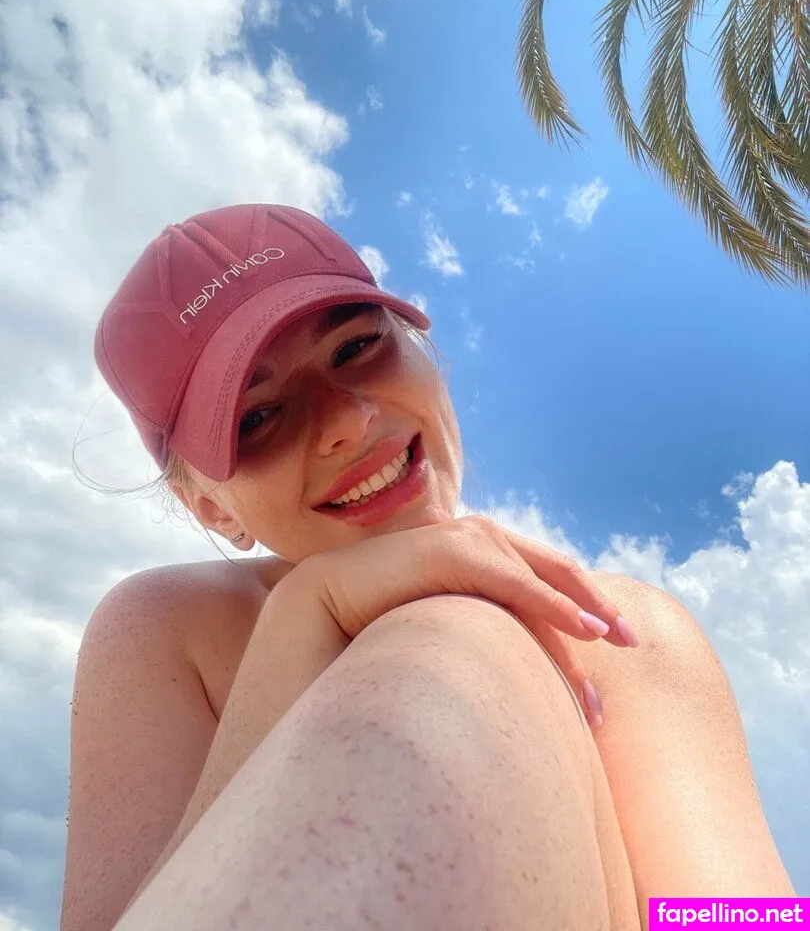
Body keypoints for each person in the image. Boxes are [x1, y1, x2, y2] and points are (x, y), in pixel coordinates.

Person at [61, 204, 795, 931]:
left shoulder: (624, 631)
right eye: (258, 417)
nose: (347, 420)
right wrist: (305, 614)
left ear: (422, 351)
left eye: (356, 347)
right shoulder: (173, 628)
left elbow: (733, 918)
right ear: (212, 508)